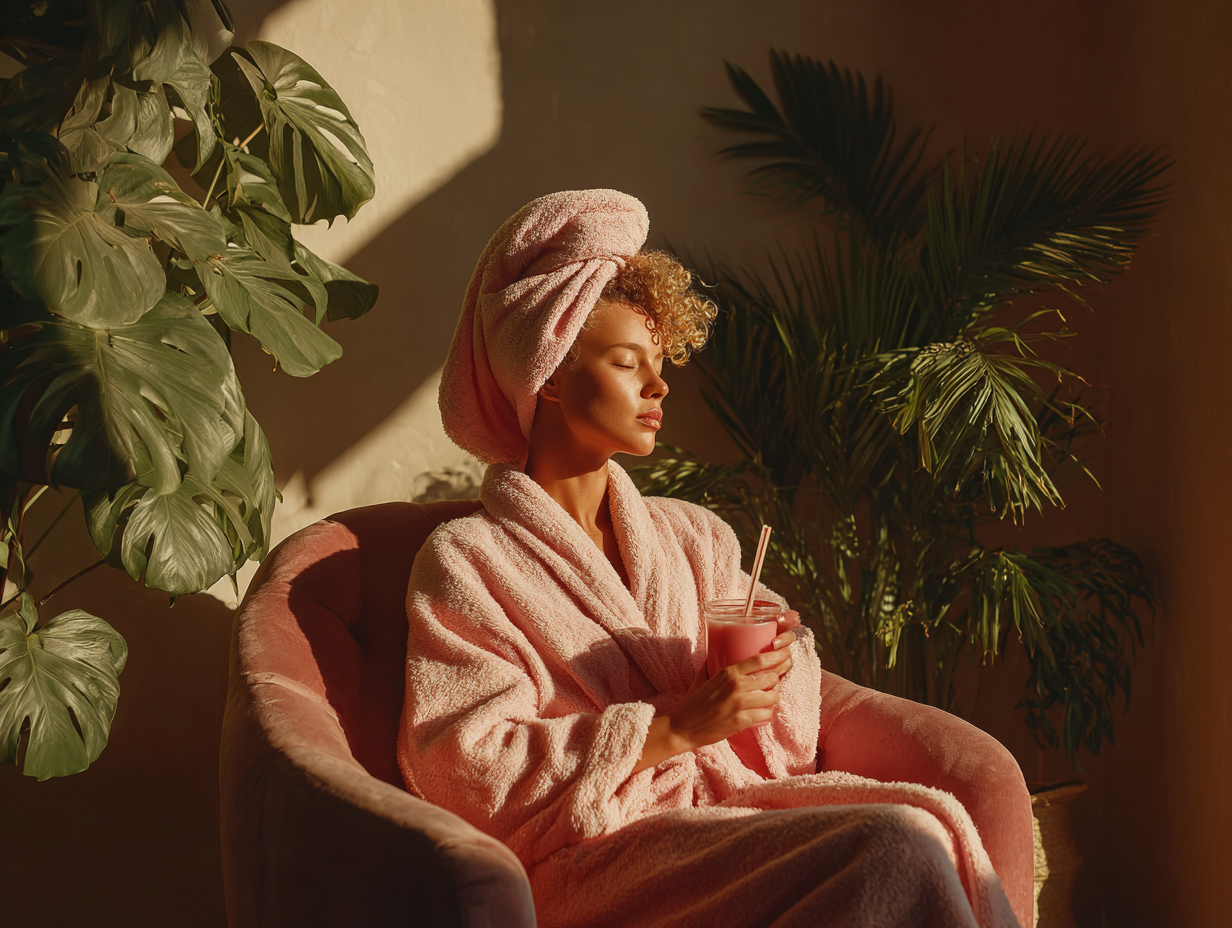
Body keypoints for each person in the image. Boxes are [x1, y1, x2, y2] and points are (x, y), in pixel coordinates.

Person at [398, 190, 1019, 928]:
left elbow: (783, 729)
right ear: (551, 376)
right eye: (629, 363)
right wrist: (673, 728)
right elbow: (463, 766)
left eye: (661, 363)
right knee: (898, 844)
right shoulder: (469, 563)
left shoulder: (695, 539)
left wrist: (779, 668)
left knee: (927, 829)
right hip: (593, 855)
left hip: (718, 819)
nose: (659, 386)